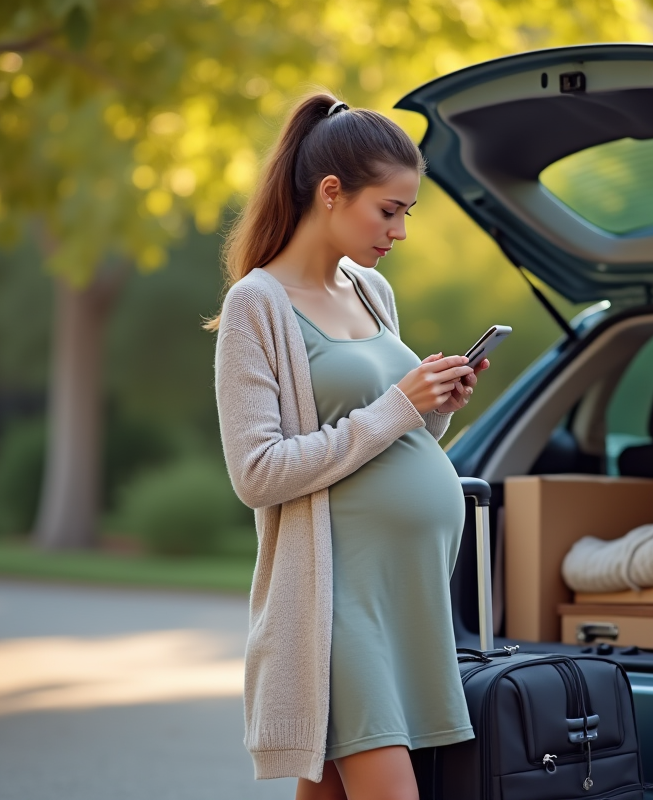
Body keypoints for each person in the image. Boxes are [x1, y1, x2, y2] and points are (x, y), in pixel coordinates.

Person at [208, 92, 489, 800]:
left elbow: (394, 436)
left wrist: (435, 410)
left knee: (333, 789)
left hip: (406, 594)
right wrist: (399, 405)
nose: (399, 231)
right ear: (331, 193)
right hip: (337, 600)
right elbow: (257, 472)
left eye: (407, 214)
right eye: (388, 210)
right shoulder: (257, 305)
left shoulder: (371, 291)